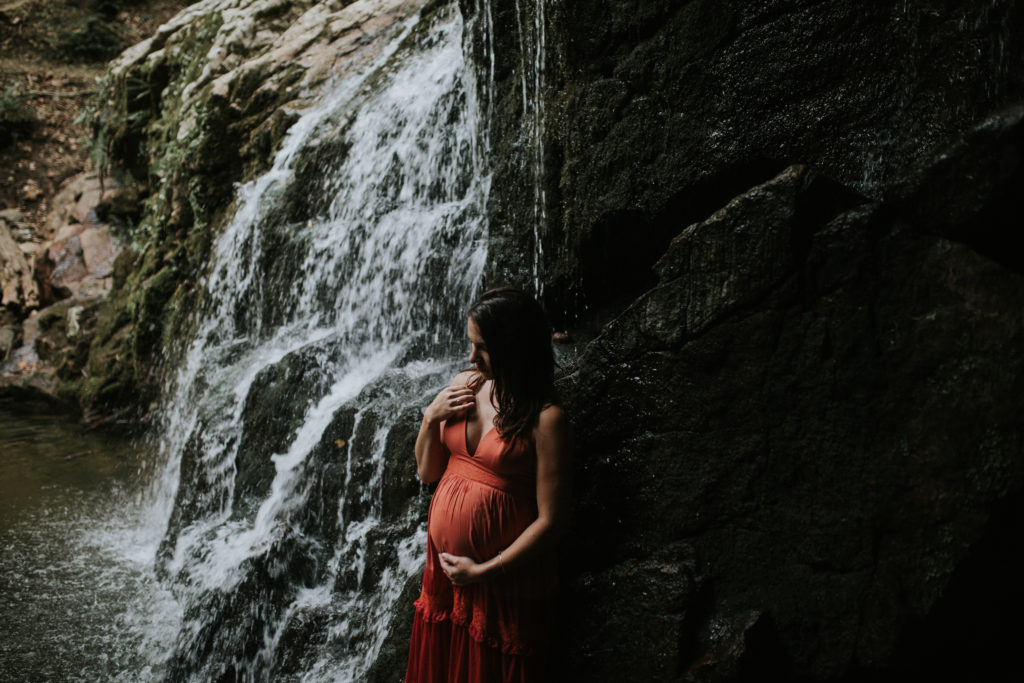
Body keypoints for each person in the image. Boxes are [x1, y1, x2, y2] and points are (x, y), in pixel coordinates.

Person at [404, 287, 572, 683]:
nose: (471, 357)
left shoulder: (546, 420)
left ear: (512, 347)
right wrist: (430, 418)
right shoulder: (466, 385)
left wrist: (483, 571)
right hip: (445, 577)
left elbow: (552, 522)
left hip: (502, 583)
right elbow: (428, 473)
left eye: (482, 347)